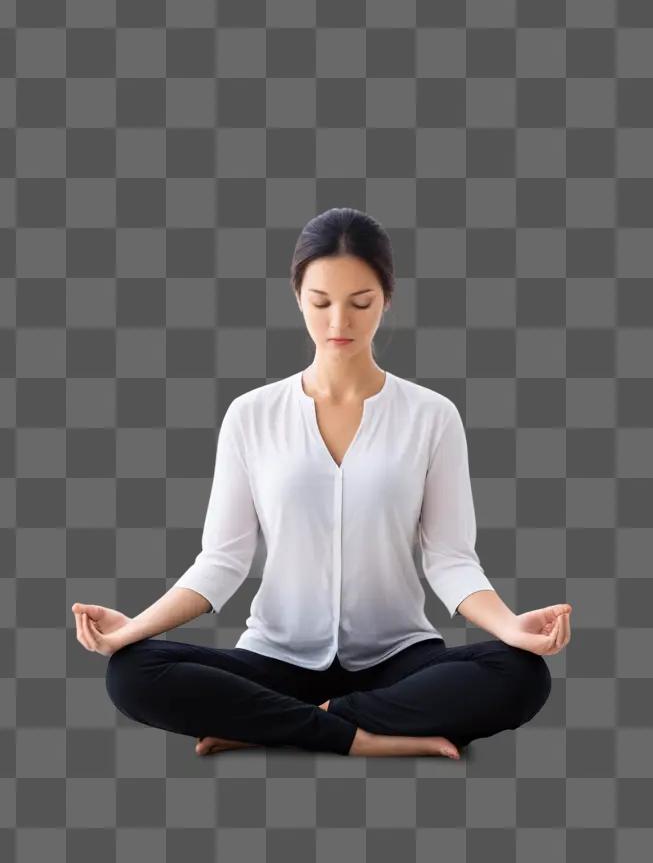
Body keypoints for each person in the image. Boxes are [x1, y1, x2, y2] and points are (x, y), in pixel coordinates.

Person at [72, 207, 571, 758]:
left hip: (398, 662)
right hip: (274, 660)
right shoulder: (250, 414)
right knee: (134, 671)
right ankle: (365, 739)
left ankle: (280, 725)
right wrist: (134, 627)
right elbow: (222, 561)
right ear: (298, 297)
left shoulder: (432, 416)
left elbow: (451, 558)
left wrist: (511, 625)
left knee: (521, 673)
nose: (340, 323)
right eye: (321, 302)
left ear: (386, 298)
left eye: (361, 303)